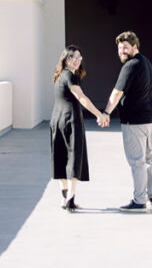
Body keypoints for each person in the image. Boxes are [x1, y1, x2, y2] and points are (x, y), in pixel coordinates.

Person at [103, 30, 152, 212]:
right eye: (120, 48)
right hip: (151, 118)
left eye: (126, 48)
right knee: (148, 158)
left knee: (137, 162)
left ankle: (139, 200)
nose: (122, 51)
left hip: (135, 121)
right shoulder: (145, 62)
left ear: (135, 47)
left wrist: (106, 113)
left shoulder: (130, 66)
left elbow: (117, 92)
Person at [50, 45, 109, 211]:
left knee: (60, 157)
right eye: (73, 57)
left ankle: (65, 197)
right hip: (71, 120)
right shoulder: (70, 76)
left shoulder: (60, 75)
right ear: (66, 59)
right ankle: (70, 197)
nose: (77, 60)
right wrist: (99, 114)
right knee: (74, 157)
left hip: (57, 120)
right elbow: (81, 98)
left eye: (79, 57)